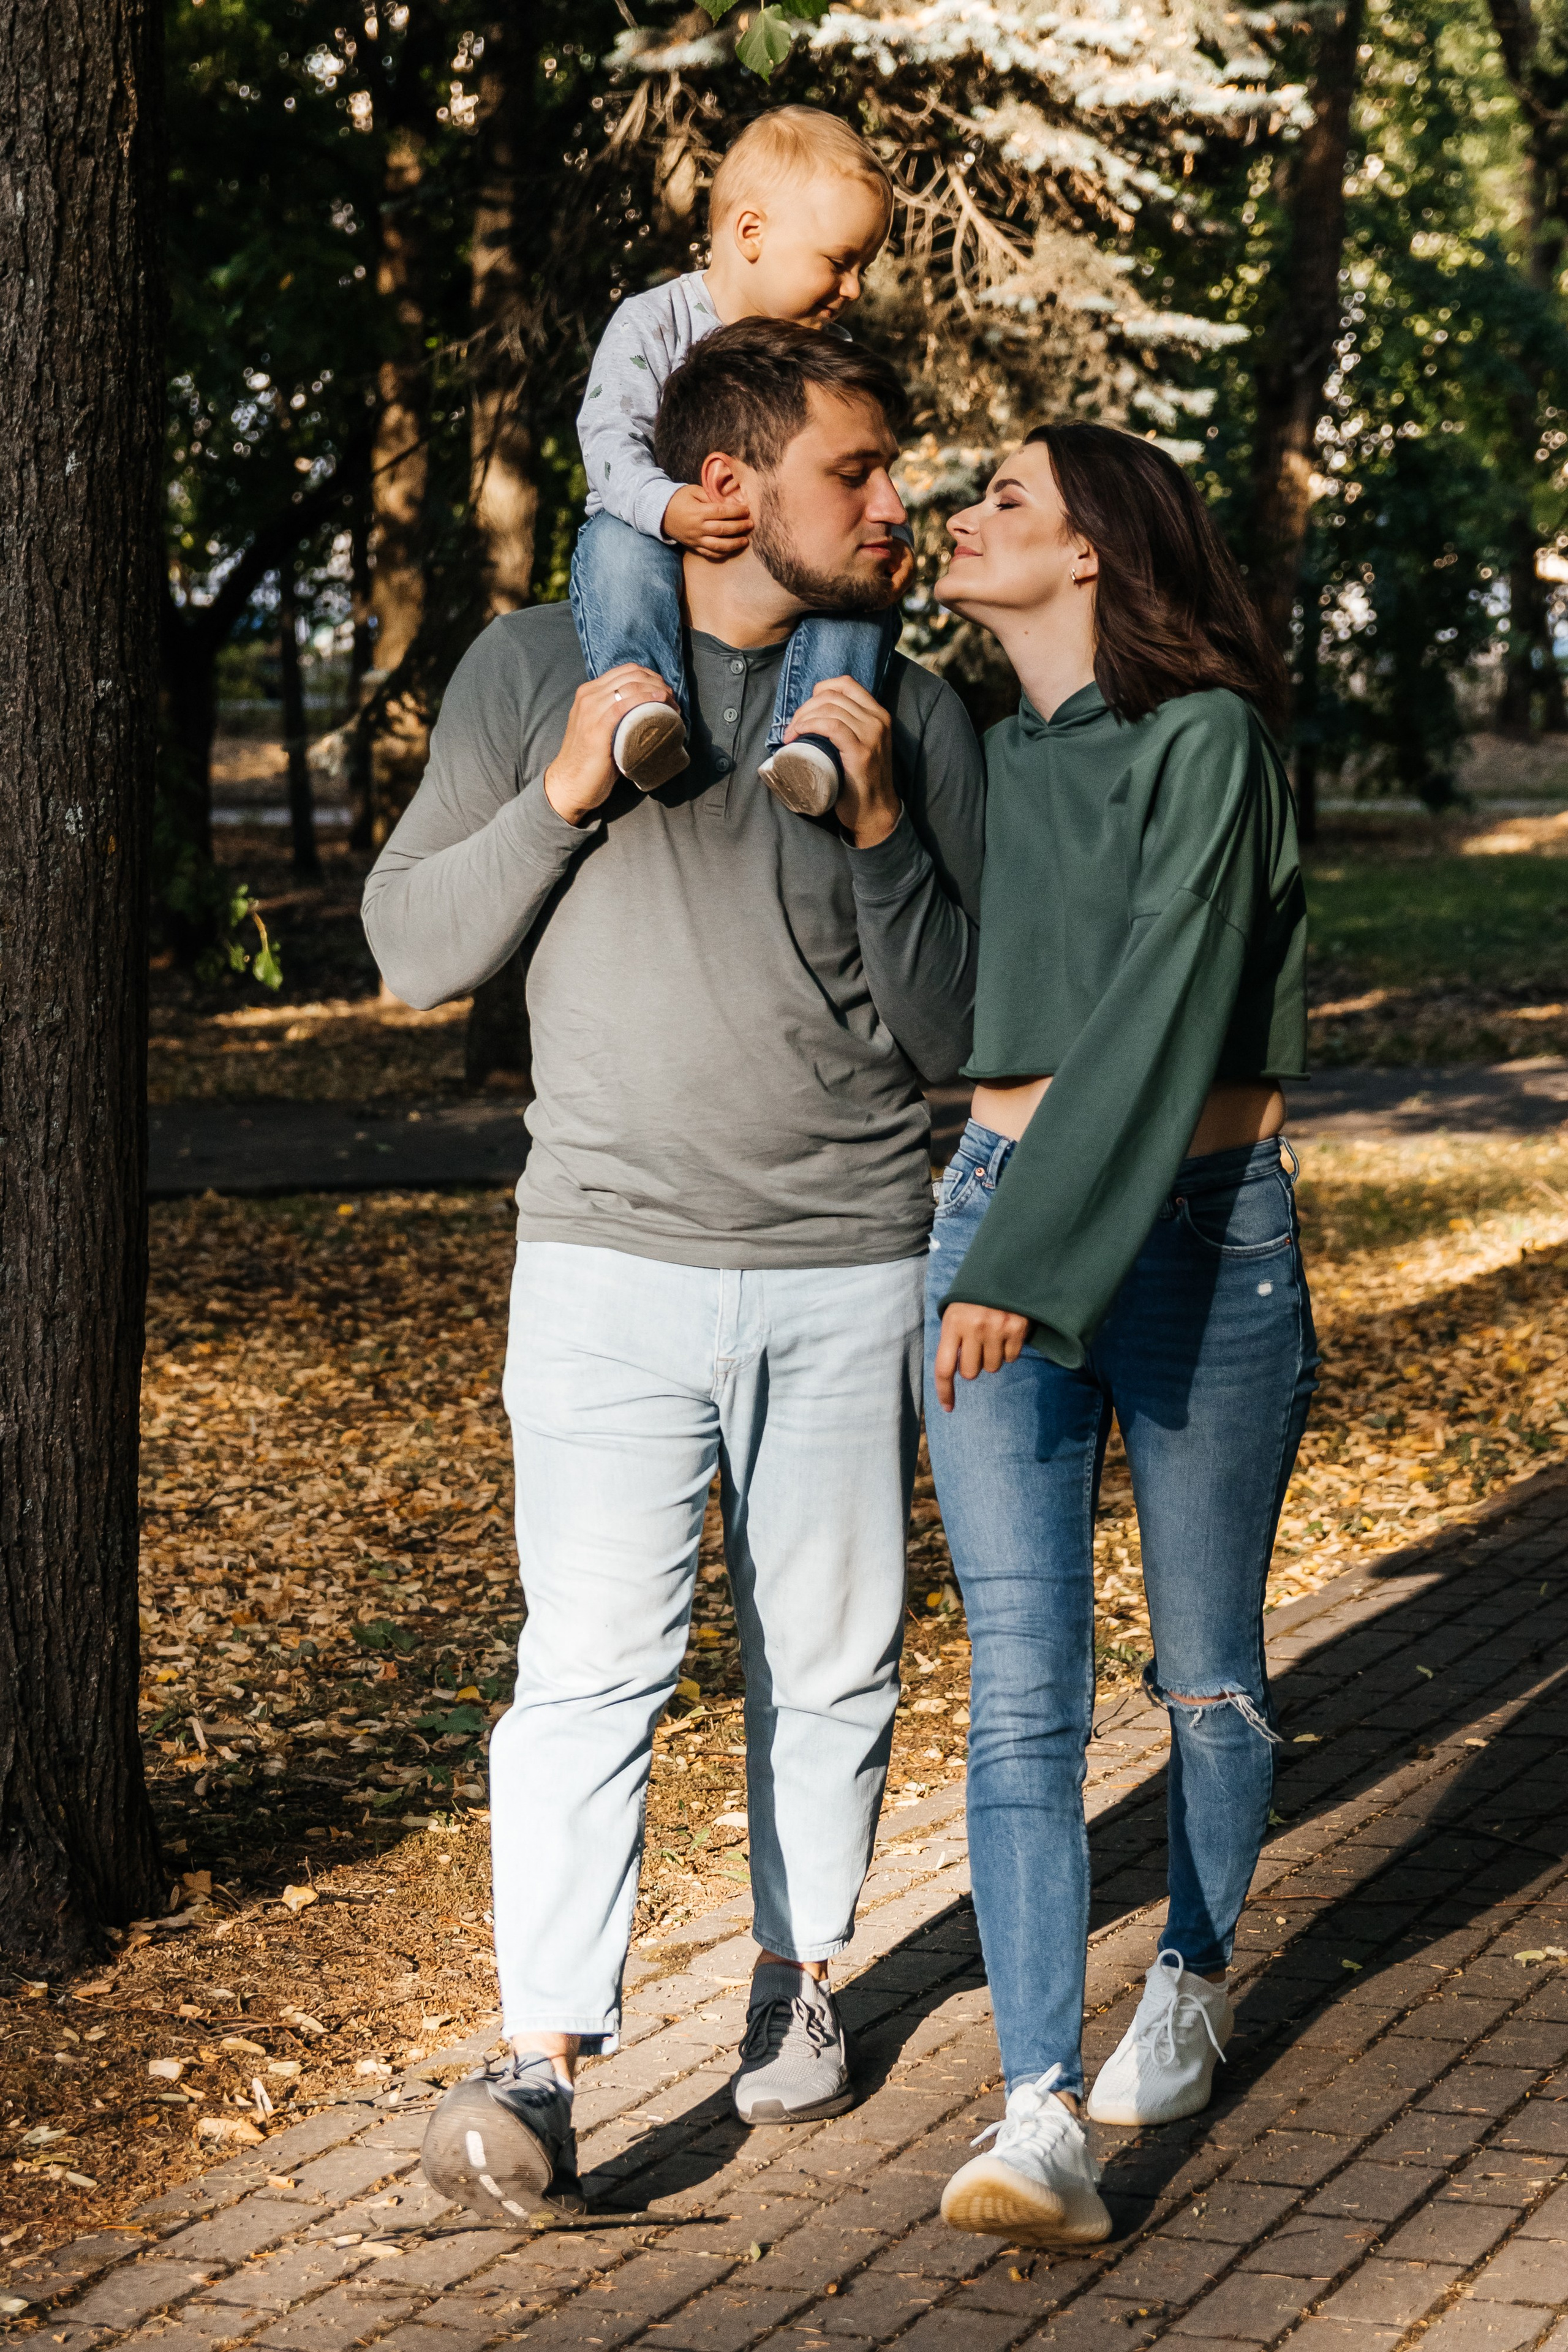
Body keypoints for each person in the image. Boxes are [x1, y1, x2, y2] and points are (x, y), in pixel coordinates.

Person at [361, 320, 984, 2221]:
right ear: (724, 491)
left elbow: (961, 1030)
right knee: (589, 1669)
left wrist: (879, 829)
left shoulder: (915, 710)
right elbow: (406, 950)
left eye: (896, 473)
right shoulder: (538, 664)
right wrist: (556, 793)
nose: (896, 505)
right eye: (855, 472)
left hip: (851, 1255)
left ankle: (800, 1984)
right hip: (604, 1261)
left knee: (834, 1664)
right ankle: (541, 2058)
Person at [922, 423, 1317, 2248]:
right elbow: (936, 992)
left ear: (1092, 550)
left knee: (1206, 1671)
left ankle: (1196, 1965)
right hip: (995, 1211)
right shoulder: (985, 749)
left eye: (1005, 494)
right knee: (1018, 1693)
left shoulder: (1210, 738)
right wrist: (858, 828)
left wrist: (1033, 1245)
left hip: (1189, 1237)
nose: (962, 516)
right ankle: (1033, 2111)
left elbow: (1169, 986)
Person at [573, 104, 910, 817]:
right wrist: (664, 506)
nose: (853, 288)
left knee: (857, 600)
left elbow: (856, 475)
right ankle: (642, 711)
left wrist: (886, 542)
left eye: (863, 268)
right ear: (750, 233)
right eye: (839, 262)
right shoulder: (655, 320)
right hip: (650, 527)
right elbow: (607, 438)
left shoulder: (834, 356)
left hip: (788, 557)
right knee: (618, 553)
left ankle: (814, 745)